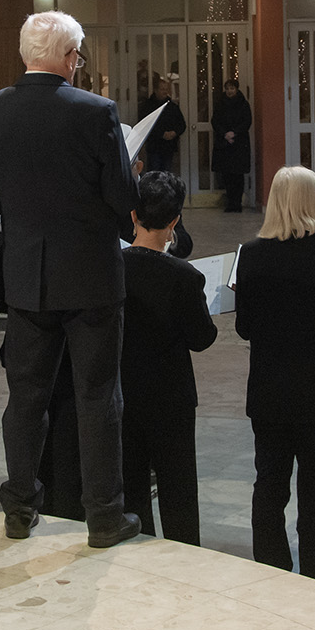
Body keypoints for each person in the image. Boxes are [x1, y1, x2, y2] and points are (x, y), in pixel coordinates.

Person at [0, 10, 142, 547]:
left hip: (27, 275)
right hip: (90, 274)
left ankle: (18, 508)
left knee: (26, 397)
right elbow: (121, 197)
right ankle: (104, 516)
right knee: (98, 396)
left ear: (24, 54)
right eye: (78, 56)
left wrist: (19, 205)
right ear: (69, 57)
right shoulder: (96, 111)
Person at [233, 165, 315, 581]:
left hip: (270, 390)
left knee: (269, 486)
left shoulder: (251, 254)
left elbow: (244, 328)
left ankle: (272, 573)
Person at [120, 171, 216, 545]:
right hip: (171, 397)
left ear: (133, 215)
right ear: (175, 221)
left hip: (124, 392)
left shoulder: (113, 268)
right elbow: (201, 339)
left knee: (131, 486)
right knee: (178, 489)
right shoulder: (184, 275)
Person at [210, 78, 254, 213]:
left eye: (232, 88)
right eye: (227, 88)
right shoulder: (220, 103)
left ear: (236, 89)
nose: (229, 91)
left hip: (239, 144)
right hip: (224, 144)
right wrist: (225, 134)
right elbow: (215, 121)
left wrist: (234, 133)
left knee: (238, 175)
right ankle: (230, 202)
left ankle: (237, 202)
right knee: (227, 174)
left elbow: (247, 121)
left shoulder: (243, 104)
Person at [138, 75, 186, 174]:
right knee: (154, 174)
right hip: (154, 146)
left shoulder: (172, 106)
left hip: (168, 147)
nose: (165, 92)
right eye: (162, 89)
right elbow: (144, 125)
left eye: (166, 89)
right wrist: (161, 134)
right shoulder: (148, 106)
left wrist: (174, 132)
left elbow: (181, 124)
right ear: (155, 90)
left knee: (167, 174)